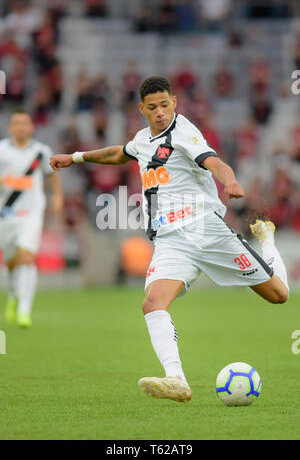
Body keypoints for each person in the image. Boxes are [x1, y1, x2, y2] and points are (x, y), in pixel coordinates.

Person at [50, 76, 289, 403]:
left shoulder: (184, 132)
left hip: (206, 231)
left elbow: (216, 163)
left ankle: (267, 242)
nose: (160, 112)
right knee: (152, 303)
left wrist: (230, 181)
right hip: (170, 240)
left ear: (174, 102)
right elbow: (117, 154)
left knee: (279, 295)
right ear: (141, 109)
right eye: (153, 107)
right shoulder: (142, 139)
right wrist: (75, 157)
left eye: (165, 104)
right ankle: (176, 378)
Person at [0, 109, 63, 328]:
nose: (21, 127)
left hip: (32, 212)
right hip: (6, 213)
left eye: (25, 123)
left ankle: (24, 310)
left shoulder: (41, 151)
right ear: (10, 127)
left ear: (31, 127)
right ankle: (13, 295)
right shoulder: (1, 151)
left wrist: (57, 197)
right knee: (11, 262)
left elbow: (52, 175)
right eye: (16, 123)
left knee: (26, 256)